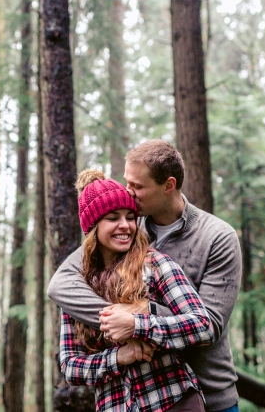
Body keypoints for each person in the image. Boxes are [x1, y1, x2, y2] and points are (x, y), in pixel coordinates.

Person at [50, 140, 243, 412]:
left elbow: (207, 325)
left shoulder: (215, 237)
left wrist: (139, 318)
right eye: (126, 183)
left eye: (136, 187)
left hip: (204, 394)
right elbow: (60, 285)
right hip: (124, 402)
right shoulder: (126, 229)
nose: (128, 193)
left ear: (168, 185)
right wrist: (117, 331)